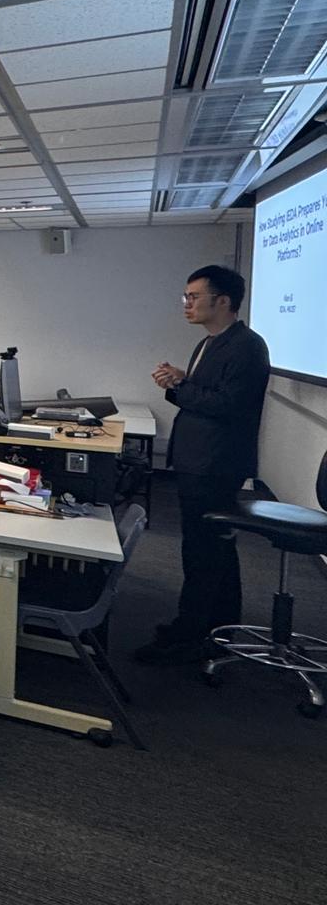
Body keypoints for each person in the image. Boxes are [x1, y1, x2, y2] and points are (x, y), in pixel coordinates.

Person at [136, 265, 271, 666]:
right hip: (197, 459)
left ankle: (191, 633)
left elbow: (229, 405)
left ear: (223, 301)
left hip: (215, 463)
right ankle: (218, 627)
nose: (187, 304)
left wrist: (182, 385)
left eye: (194, 297)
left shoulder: (247, 346)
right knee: (211, 549)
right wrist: (179, 383)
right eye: (186, 297)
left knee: (203, 552)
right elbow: (206, 395)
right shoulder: (209, 343)